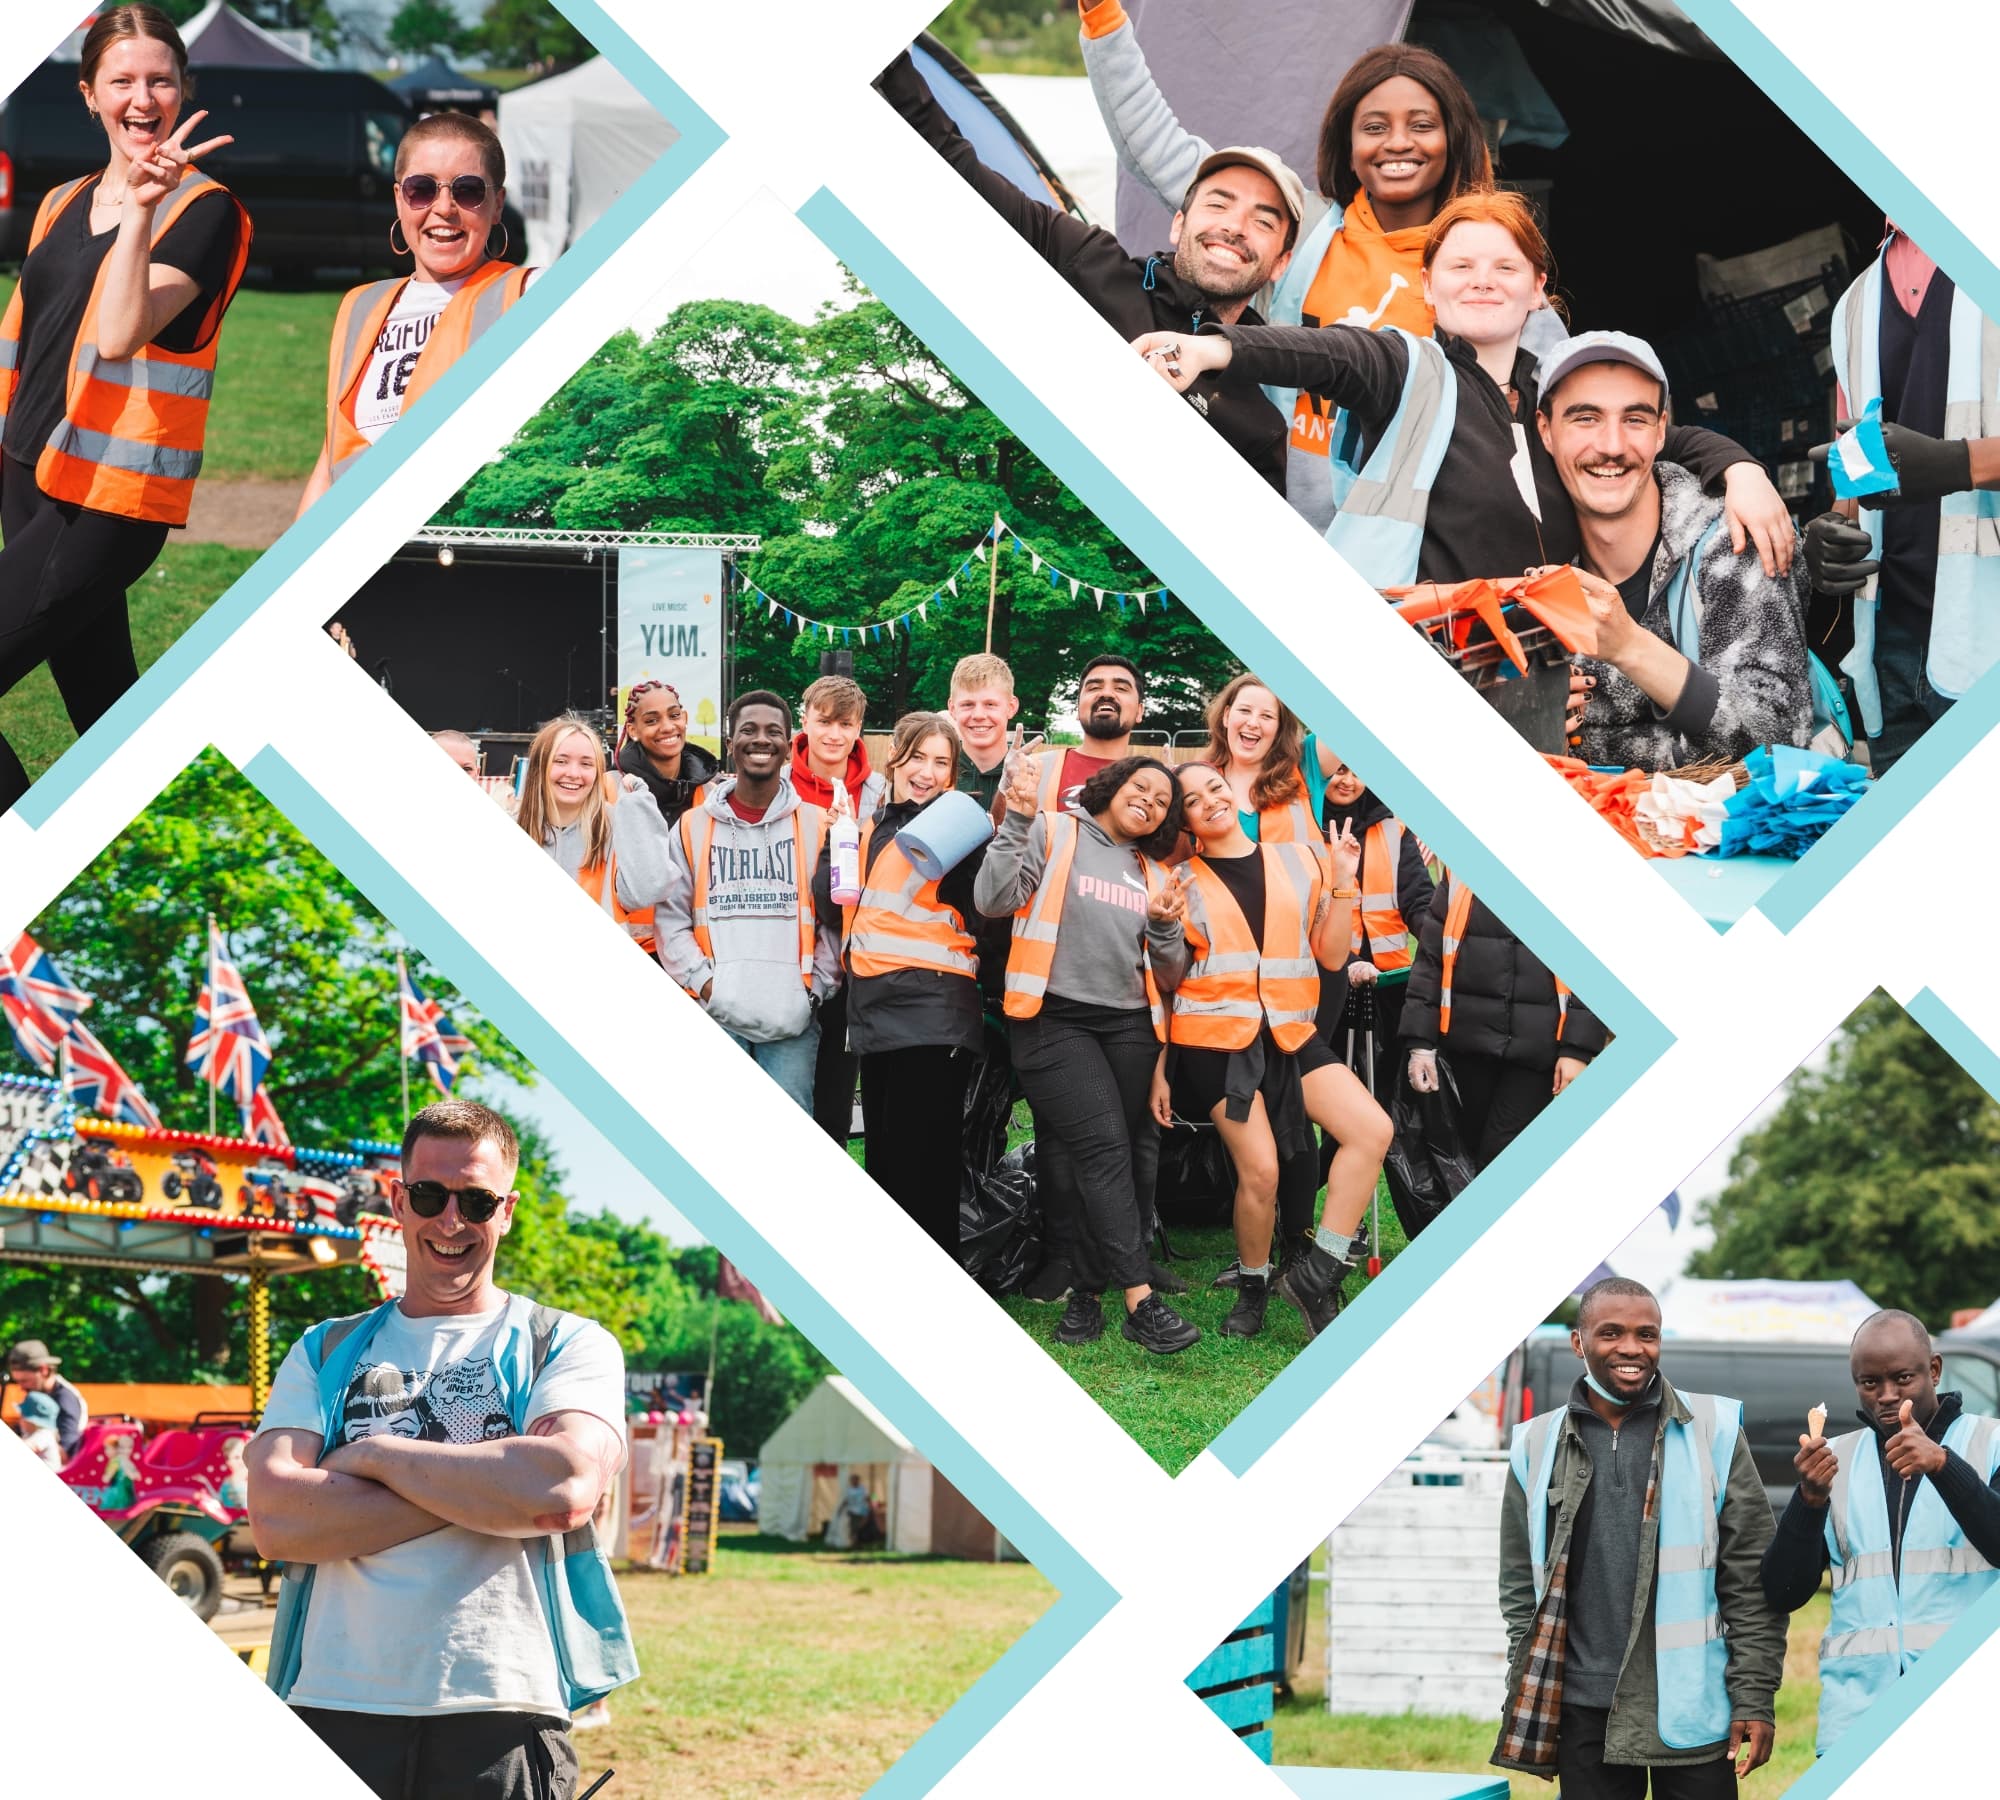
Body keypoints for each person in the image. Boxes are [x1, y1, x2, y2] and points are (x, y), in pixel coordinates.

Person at [245, 1100, 634, 1799]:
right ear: (398, 1200)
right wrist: (495, 1483)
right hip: (335, 1700)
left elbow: (562, 1489)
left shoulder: (568, 1342)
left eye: (476, 1200)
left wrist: (368, 1457)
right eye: (428, 1194)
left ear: (507, 1210)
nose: (450, 1220)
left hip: (504, 1706)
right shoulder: (326, 1348)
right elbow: (276, 1517)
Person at [1135, 191, 1795, 590]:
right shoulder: (1407, 368)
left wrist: (1739, 469)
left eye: (1505, 266)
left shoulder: (1559, 399)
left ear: (1537, 288)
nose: (1483, 280)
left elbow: (1662, 438)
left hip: (1550, 693)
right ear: (1428, 286)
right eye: (1460, 265)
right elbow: (1331, 355)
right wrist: (1209, 349)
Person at [1078, 9, 1564, 531]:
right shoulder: (1297, 232)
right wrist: (1104, 21)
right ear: (1348, 148)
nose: (1398, 142)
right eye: (1374, 127)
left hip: (1419, 551)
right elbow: (1156, 147)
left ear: (1455, 140)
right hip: (1277, 527)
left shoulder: (1485, 271)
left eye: (1422, 125)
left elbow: (1566, 407)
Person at [0, 5, 251, 814]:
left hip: (106, 498)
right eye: (123, 81)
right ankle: (194, 843)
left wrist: (142, 205)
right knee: (109, 711)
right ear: (88, 95)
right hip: (27, 474)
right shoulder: (61, 200)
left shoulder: (204, 211)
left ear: (183, 91)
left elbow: (117, 332)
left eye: (161, 80)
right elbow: (31, 344)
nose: (143, 99)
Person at [876, 49, 1299, 491]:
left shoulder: (1260, 427)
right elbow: (956, 169)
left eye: (1263, 221)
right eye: (1218, 204)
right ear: (1179, 224)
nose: (1234, 226)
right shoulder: (1086, 260)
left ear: (1281, 262)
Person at [1496, 1277, 1783, 1793]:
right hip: (1584, 1708)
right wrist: (1530, 1683)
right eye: (1611, 1333)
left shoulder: (1714, 1429)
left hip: (1692, 1706)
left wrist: (1754, 1697)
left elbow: (1751, 1583)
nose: (1632, 1348)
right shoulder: (1535, 1443)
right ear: (1578, 1343)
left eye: (1646, 1334)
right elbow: (1520, 1585)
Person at [1153, 763, 1390, 1339]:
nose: (1208, 801)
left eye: (1214, 788)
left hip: (1290, 1032)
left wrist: (1341, 879)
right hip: (1215, 1042)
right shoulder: (1177, 880)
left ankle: (1318, 1272)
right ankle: (1254, 1287)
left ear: (1230, 793)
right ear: (1182, 819)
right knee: (1259, 1172)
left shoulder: (1300, 859)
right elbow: (1163, 984)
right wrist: (1162, 1069)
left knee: (1372, 1130)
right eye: (1191, 800)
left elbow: (1331, 957)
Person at [976, 751, 1198, 1352]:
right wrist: (1018, 820)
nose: (1149, 801)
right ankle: (1140, 1300)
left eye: (1161, 803)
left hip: (1128, 1026)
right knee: (1099, 1147)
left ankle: (1085, 1293)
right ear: (1113, 783)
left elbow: (1172, 975)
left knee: (1110, 1157)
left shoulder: (1153, 873)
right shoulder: (1055, 828)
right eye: (1142, 786)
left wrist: (1164, 925)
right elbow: (993, 900)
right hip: (1052, 1020)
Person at [1533, 331, 1814, 770]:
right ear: (1546, 431)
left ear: (1662, 431)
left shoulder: (1734, 541)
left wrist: (1629, 647)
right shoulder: (1532, 566)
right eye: (1585, 418)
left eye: (1635, 419)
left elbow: (1777, 741)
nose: (1611, 446)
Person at [1760, 1308, 2000, 1756]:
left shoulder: (1991, 1443)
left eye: (1902, 1378)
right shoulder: (1836, 1459)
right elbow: (1783, 1591)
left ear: (1934, 1370)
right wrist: (1808, 1500)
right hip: (1859, 1716)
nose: (1886, 1395)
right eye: (1870, 1383)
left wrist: (1944, 1466)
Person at [1804, 227, 2000, 773]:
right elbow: (1857, 467)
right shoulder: (1854, 306)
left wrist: (1959, 463)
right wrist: (1832, 530)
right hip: (1891, 639)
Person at [298, 111, 534, 512]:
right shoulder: (359, 305)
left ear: (497, 205)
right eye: (422, 189)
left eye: (468, 190)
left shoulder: (524, 291)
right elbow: (332, 455)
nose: (444, 208)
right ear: (399, 199)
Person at [846, 712, 986, 1257]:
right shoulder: (875, 824)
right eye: (916, 757)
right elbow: (843, 905)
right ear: (894, 759)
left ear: (952, 776)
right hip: (878, 1010)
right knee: (884, 1158)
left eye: (941, 763)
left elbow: (984, 897)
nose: (926, 772)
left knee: (923, 1163)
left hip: (933, 1010)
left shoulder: (954, 829)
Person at [658, 690, 838, 1114]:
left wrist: (815, 991)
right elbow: (671, 919)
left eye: (773, 731)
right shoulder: (690, 826)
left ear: (789, 743)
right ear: (730, 742)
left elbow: (835, 919)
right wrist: (706, 985)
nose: (761, 740)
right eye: (749, 730)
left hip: (793, 1020)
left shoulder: (817, 824)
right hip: (716, 1015)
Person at [1400, 876, 1605, 1170]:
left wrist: (1577, 1048)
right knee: (1471, 1154)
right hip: (1468, 1043)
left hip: (1538, 1049)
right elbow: (1431, 959)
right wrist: (1420, 1044)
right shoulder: (1457, 875)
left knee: (1500, 1156)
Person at [788, 674, 888, 1147]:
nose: (833, 733)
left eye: (844, 724)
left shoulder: (880, 792)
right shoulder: (777, 781)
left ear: (859, 729)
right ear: (805, 719)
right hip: (784, 960)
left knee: (832, 1100)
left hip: (848, 968)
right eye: (823, 721)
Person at [1318, 752, 1433, 1116]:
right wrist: (1349, 963)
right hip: (1328, 982)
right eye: (1338, 770)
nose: (1347, 780)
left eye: (1357, 771)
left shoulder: (1394, 828)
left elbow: (1418, 898)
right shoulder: (1301, 828)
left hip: (1388, 983)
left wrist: (1439, 944)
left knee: (1384, 1098)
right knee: (1337, 1098)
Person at [513, 715, 674, 958]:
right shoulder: (510, 824)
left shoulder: (617, 827)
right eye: (561, 761)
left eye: (586, 764)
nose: (574, 773)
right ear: (539, 766)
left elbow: (648, 892)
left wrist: (639, 811)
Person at [1201, 672, 1340, 847]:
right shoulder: (1197, 783)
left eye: (1267, 716)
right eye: (1245, 710)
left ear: (1279, 728)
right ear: (1227, 715)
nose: (1253, 723)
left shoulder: (1308, 764)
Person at [1024, 653, 1149, 814]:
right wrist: (1004, 788)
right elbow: (1005, 833)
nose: (1107, 694)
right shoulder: (1033, 769)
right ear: (1078, 708)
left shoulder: (1157, 780)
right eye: (1094, 688)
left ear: (1139, 711)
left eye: (1121, 688)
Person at [615, 679, 719, 825]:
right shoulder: (610, 788)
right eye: (651, 721)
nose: (668, 727)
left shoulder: (711, 793)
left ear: (685, 718)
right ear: (633, 730)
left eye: (674, 715)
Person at [948, 651, 1023, 813]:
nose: (979, 715)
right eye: (967, 704)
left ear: (1011, 707)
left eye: (990, 704)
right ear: (952, 709)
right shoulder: (938, 772)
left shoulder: (1030, 775)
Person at [6, 1340, 87, 1462]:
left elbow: (67, 1454)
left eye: (25, 1381)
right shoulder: (38, 1393)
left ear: (43, 1370)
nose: (21, 1387)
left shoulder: (66, 1398)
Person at [15, 1391, 65, 1471]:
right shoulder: (33, 1434)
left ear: (30, 1421)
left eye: (22, 1416)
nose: (19, 1420)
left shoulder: (44, 1434)